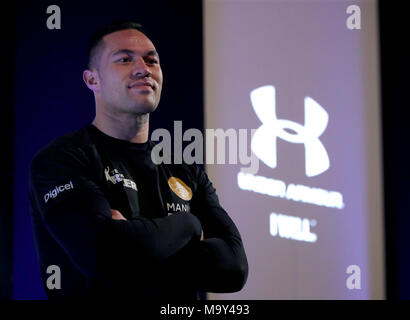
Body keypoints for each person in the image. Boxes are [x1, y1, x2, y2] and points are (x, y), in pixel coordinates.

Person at [29, 21, 248, 300]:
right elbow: (100, 255)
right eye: (124, 59)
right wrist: (189, 226)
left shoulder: (186, 169)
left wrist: (133, 239)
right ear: (92, 80)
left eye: (151, 60)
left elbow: (234, 268)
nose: (143, 68)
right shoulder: (63, 159)